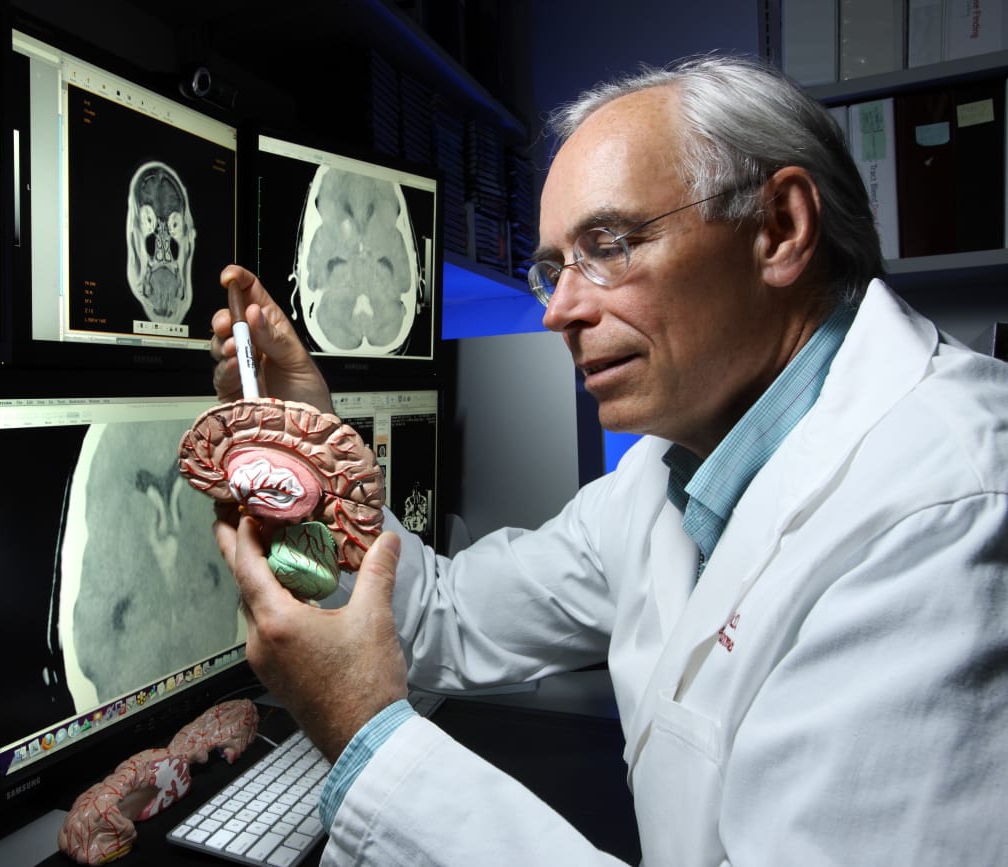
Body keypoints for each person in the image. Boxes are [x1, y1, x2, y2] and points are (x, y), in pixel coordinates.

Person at [207, 53, 1008, 866]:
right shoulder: (673, 471)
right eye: (553, 268)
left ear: (780, 229)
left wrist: (366, 736)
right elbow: (445, 615)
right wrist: (311, 447)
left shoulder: (946, 508)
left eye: (611, 243)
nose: (559, 309)